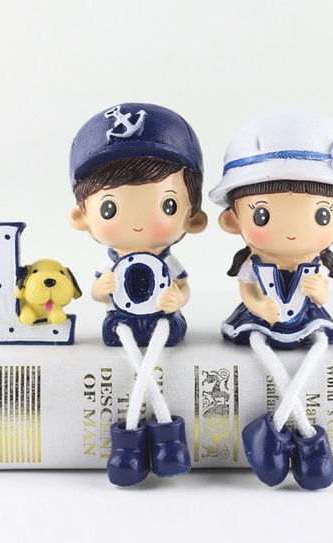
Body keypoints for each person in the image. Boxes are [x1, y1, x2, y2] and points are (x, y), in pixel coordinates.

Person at [209, 110, 333, 489]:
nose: (293, 232)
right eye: (262, 215)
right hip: (261, 317)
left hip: (305, 316)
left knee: (317, 344)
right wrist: (256, 304)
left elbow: (323, 291)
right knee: (257, 340)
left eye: (321, 215)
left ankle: (298, 434)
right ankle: (296, 436)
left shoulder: (317, 264)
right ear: (233, 220)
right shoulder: (252, 264)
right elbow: (247, 288)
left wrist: (319, 292)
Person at [69, 103, 207, 486]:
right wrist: (102, 289)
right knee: (127, 343)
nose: (137, 223)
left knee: (162, 337)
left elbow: (182, 286)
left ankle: (165, 442)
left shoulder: (168, 260)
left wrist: (177, 299)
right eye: (109, 207)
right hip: (122, 322)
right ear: (81, 217)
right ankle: (130, 444)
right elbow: (98, 291)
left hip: (164, 322)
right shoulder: (111, 261)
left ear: (193, 217)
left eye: (167, 204)